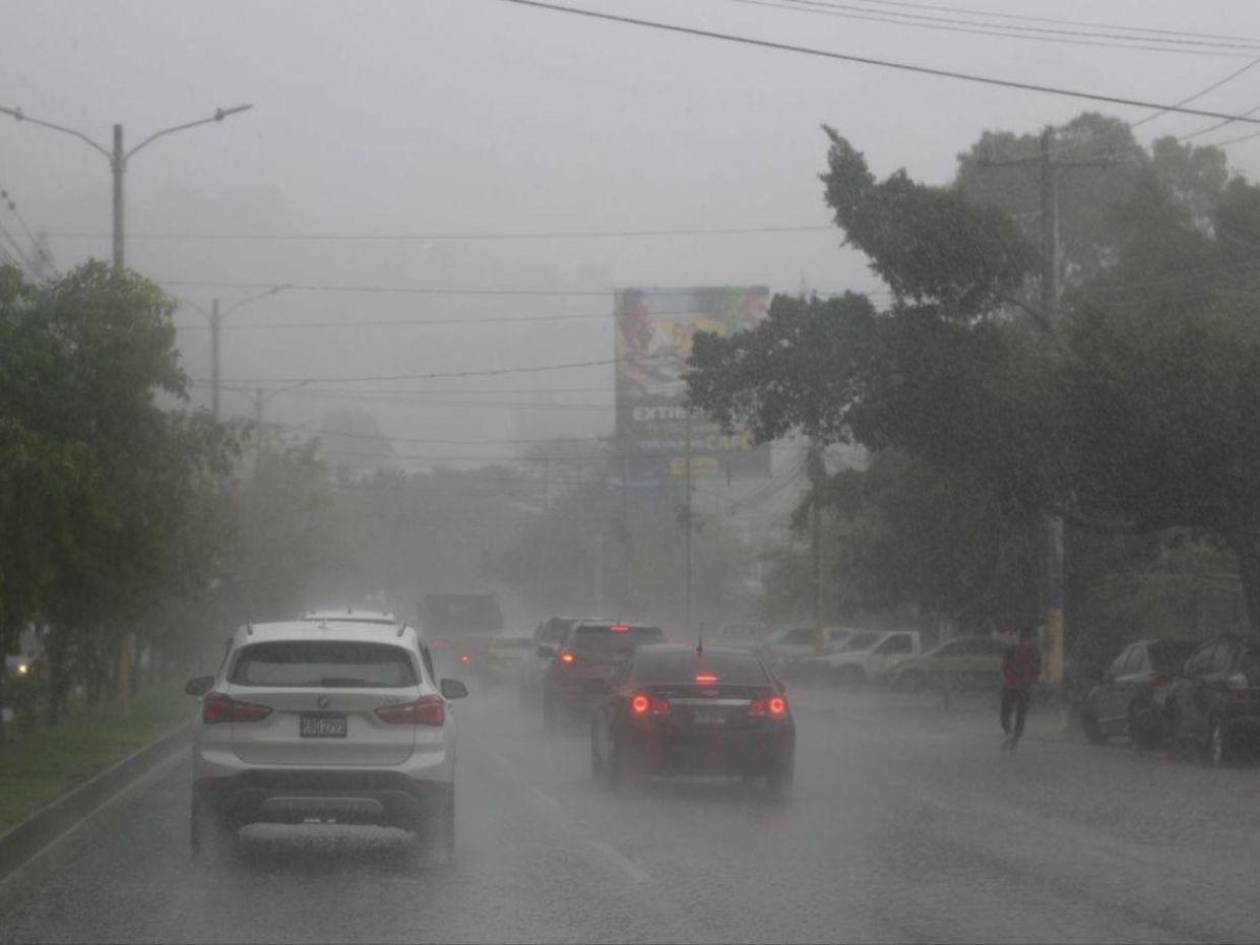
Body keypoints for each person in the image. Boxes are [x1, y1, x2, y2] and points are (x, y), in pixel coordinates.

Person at [1000, 626, 1042, 751]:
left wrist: (1009, 677)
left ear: (1020, 637)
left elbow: (1004, 667)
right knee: (1021, 715)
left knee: (1005, 713)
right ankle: (1015, 739)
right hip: (1025, 687)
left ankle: (1008, 733)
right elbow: (1037, 670)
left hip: (1010, 685)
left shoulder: (1011, 649)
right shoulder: (1035, 651)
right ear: (1031, 638)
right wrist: (1030, 679)